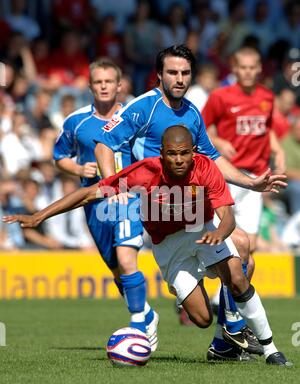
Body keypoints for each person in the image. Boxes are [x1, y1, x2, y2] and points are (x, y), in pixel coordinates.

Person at [3, 125, 292, 366]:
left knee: (238, 276)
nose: (179, 160)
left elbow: (227, 216)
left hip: (202, 231)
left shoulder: (205, 168)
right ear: (162, 154)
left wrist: (221, 233)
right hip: (167, 247)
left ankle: (271, 350)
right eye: (172, 154)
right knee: (202, 318)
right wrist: (39, 215)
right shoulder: (142, 173)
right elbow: (89, 194)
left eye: (184, 154)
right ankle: (209, 322)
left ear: (193, 153)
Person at [92, 44, 287, 361]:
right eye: (172, 72)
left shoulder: (192, 112)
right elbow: (104, 142)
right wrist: (113, 186)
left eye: (184, 72)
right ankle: (215, 324)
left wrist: (251, 181)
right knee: (121, 264)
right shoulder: (145, 107)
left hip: (189, 208)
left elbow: (212, 158)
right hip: (154, 209)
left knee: (243, 251)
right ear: (159, 74)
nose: (179, 78)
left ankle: (227, 336)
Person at [52, 58, 159, 348]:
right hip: (94, 203)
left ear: (119, 86)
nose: (103, 86)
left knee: (127, 261)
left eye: (109, 81)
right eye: (98, 82)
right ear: (90, 86)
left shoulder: (134, 116)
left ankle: (138, 326)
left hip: (127, 196)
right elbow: (60, 156)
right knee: (116, 270)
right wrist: (77, 169)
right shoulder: (76, 122)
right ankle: (147, 314)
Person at [202, 46, 286, 347]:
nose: (249, 72)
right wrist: (220, 140)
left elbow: (267, 130)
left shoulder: (267, 96)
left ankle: (224, 307)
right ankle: (216, 304)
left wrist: (276, 150)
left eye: (254, 67)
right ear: (234, 69)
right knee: (232, 246)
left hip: (255, 180)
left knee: (248, 251)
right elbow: (200, 130)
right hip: (227, 176)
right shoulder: (220, 97)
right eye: (243, 67)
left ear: (259, 68)